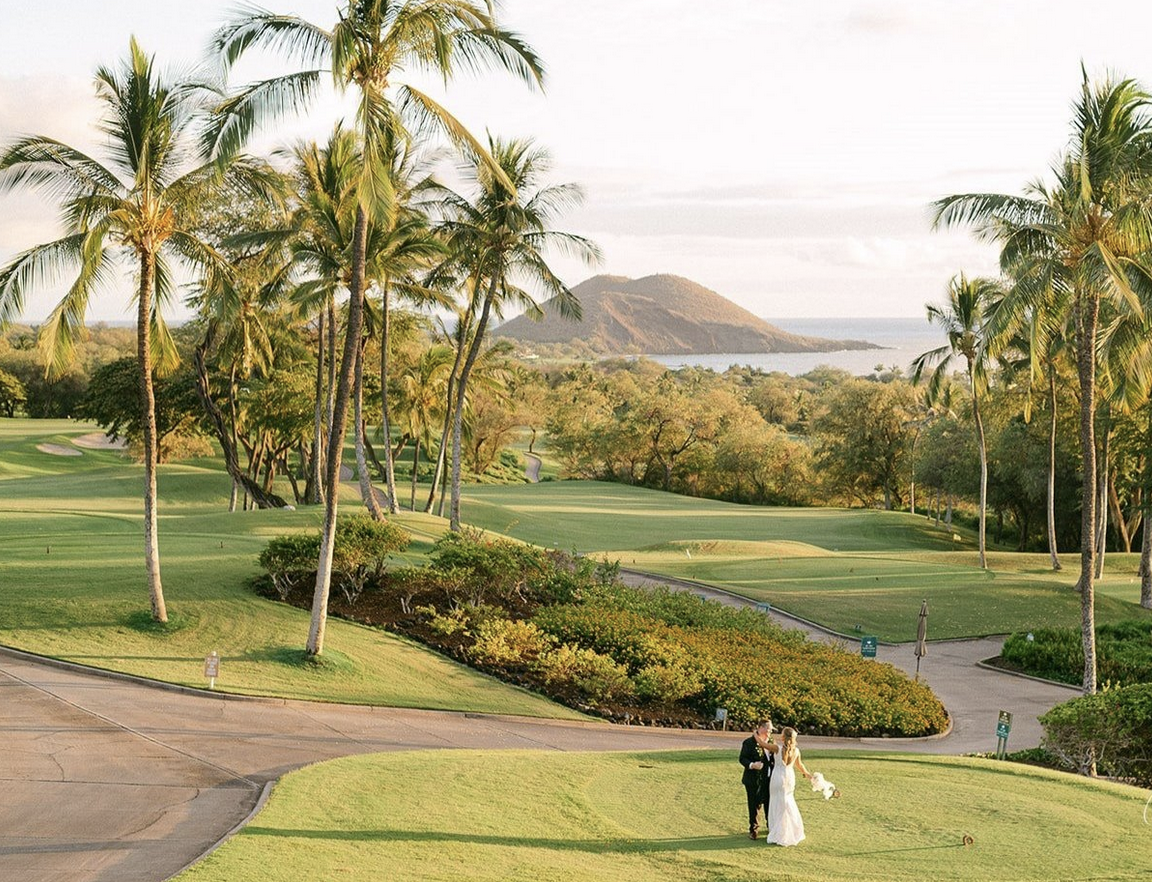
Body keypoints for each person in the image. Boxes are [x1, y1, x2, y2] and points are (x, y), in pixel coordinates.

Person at [765, 727, 812, 846]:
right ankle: (791, 828)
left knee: (777, 802)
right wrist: (807, 774)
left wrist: (755, 734)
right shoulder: (796, 751)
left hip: (778, 777)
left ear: (783, 737)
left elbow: (762, 744)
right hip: (790, 778)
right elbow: (800, 765)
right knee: (788, 802)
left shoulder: (777, 748)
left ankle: (778, 829)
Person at [738, 720, 777, 840]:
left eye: (771, 729)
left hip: (769, 779)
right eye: (768, 729)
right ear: (760, 728)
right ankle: (753, 829)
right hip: (753, 779)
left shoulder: (771, 742)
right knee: (754, 805)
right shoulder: (749, 742)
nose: (770, 731)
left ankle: (771, 826)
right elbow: (742, 758)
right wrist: (752, 765)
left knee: (769, 803)